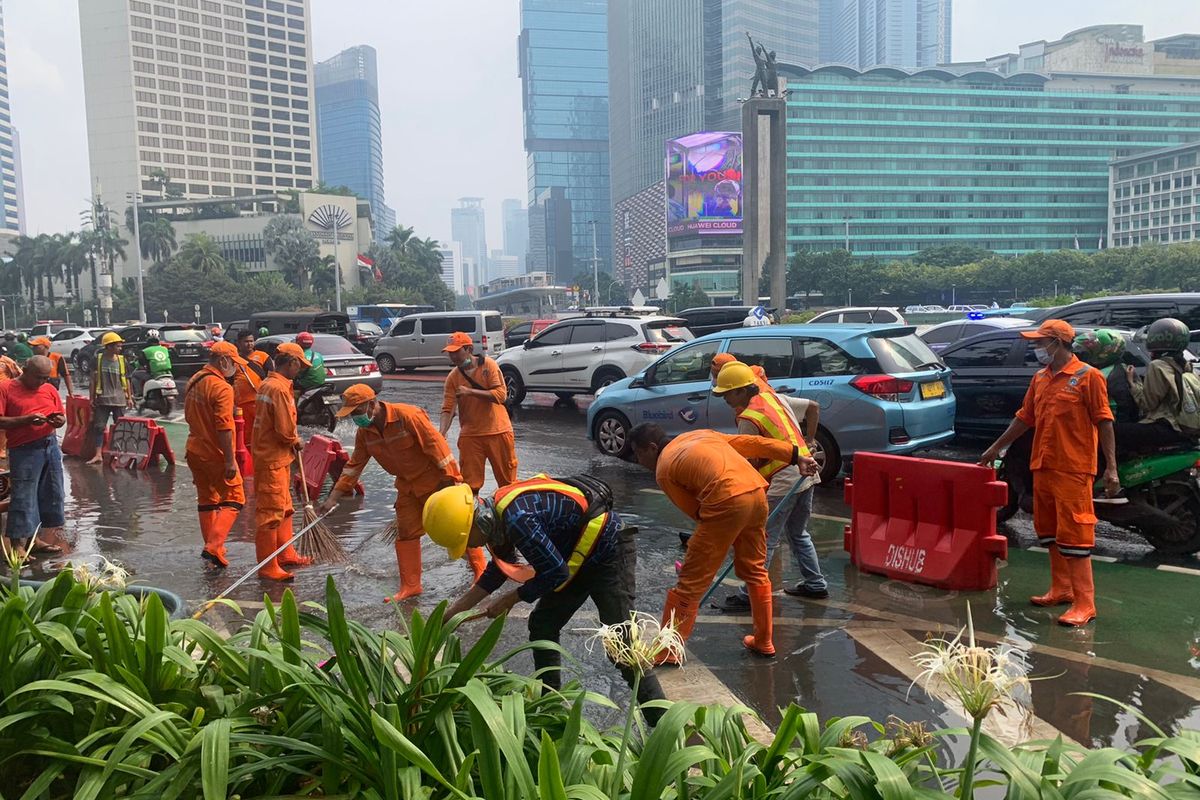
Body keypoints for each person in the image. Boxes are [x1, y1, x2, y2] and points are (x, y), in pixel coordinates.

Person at [425, 475, 667, 724]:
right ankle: (551, 705)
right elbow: (496, 573)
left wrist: (510, 600)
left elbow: (555, 573)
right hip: (574, 556)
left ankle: (665, 724)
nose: (467, 549)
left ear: (477, 523)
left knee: (621, 645)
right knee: (543, 624)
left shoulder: (518, 519)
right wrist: (452, 614)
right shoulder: (494, 519)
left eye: (465, 542)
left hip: (608, 552)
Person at [629, 423, 817, 660]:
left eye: (638, 453)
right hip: (757, 494)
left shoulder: (664, 469)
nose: (638, 460)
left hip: (726, 500)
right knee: (755, 570)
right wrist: (795, 456)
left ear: (651, 447)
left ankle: (668, 651)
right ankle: (763, 641)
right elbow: (753, 444)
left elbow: (696, 511)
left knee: (691, 580)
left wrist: (721, 537)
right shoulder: (700, 434)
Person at [979, 319, 1117, 627]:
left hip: (1074, 468)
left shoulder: (1088, 377)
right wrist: (995, 448)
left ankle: (1085, 603)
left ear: (1058, 343)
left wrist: (1111, 468)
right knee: (1050, 531)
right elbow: (1024, 419)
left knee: (1076, 535)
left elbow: (1104, 421)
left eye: (1041, 342)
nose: (1037, 348)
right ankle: (1061, 589)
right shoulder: (1040, 379)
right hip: (1042, 466)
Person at [318, 384, 484, 602]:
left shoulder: (407, 416)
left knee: (459, 527)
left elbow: (437, 447)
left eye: (357, 412)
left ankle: (481, 572)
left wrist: (453, 482)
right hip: (407, 486)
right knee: (406, 532)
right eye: (351, 415)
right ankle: (411, 586)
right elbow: (353, 466)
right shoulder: (365, 433)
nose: (355, 419)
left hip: (436, 482)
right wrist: (332, 498)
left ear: (371, 404)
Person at [709, 361, 828, 613]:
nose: (725, 399)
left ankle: (748, 594)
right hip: (805, 477)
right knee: (798, 533)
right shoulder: (775, 399)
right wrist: (809, 441)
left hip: (783, 483)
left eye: (728, 393)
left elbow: (749, 464)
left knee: (764, 540)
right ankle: (815, 583)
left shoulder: (749, 419)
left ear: (742, 390)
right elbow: (811, 410)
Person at [251, 341, 313, 581]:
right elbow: (285, 429)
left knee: (285, 509)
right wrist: (296, 441)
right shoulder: (277, 388)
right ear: (293, 362)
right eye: (300, 365)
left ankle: (286, 554)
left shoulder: (269, 384)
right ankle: (268, 566)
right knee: (270, 513)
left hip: (277, 458)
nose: (301, 370)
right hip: (272, 459)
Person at [185, 341, 246, 568]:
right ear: (223, 361)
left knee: (207, 500)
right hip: (214, 453)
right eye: (233, 363)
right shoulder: (222, 388)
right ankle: (213, 546)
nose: (235, 369)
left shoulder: (195, 380)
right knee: (235, 497)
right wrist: (230, 460)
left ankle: (215, 550)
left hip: (194, 449)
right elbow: (224, 427)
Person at [0, 357, 67, 558]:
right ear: (24, 370)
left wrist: (58, 420)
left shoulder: (49, 389)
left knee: (49, 494)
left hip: (50, 444)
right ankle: (16, 545)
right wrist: (26, 420)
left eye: (45, 378)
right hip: (24, 449)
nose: (41, 382)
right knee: (23, 496)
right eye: (37, 377)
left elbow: (61, 417)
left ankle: (34, 540)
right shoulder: (6, 388)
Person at [440, 331, 518, 494]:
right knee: (469, 485)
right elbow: (448, 409)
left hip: (498, 431)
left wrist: (470, 392)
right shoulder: (453, 378)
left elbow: (500, 394)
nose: (453, 357)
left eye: (456, 352)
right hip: (471, 436)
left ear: (469, 349)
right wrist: (442, 433)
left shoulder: (488, 365)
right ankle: (473, 515)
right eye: (450, 353)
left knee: (508, 484)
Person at [1123, 318, 1200, 453]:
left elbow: (1147, 404)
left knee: (1111, 430)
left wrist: (1132, 383)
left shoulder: (1158, 366)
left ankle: (1110, 471)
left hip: (1169, 427)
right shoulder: (1188, 366)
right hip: (1186, 428)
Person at [87, 332, 133, 465]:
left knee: (120, 427)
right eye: (117, 346)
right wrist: (91, 398)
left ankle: (119, 453)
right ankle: (98, 454)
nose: (120, 348)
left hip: (119, 399)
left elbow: (127, 380)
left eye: (120, 346)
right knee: (99, 427)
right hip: (103, 399)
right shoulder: (98, 360)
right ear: (108, 347)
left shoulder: (122, 360)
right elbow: (92, 380)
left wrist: (129, 397)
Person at [233, 329, 267, 435]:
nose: (249, 344)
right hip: (241, 403)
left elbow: (271, 377)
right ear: (238, 343)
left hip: (260, 401)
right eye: (246, 341)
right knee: (244, 432)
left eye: (251, 341)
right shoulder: (234, 359)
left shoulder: (263, 357)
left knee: (262, 431)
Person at [131, 329, 173, 398]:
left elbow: (140, 364)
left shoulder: (145, 351)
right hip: (168, 374)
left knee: (135, 375)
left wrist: (134, 363)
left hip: (153, 375)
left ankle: (139, 394)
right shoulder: (165, 349)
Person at [0, 350, 21, 461]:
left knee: (3, 422)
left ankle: (2, 449)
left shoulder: (7, 361)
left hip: (4, 395)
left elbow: (19, 374)